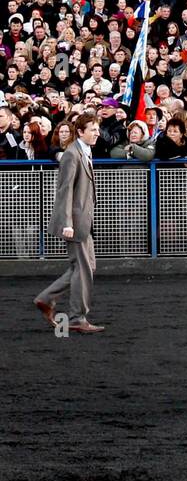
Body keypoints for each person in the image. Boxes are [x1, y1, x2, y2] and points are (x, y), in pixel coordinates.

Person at [34, 111, 105, 334]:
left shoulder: (83, 151)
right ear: (80, 132)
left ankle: (46, 299)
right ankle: (76, 317)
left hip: (81, 221)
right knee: (83, 267)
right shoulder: (71, 155)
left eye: (97, 129)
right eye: (93, 130)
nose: (97, 133)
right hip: (74, 222)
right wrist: (67, 222)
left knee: (85, 266)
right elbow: (64, 191)